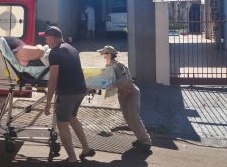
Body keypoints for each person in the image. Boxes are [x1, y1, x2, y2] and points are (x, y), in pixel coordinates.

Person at [43, 26, 95, 163]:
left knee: (62, 124)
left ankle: (72, 159)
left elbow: (53, 78)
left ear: (54, 37)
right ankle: (86, 149)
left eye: (47, 37)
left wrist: (48, 102)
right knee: (72, 118)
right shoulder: (72, 48)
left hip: (67, 93)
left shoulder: (54, 53)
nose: (45, 40)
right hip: (80, 90)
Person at [97, 45, 152, 151]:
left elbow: (125, 79)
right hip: (122, 95)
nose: (103, 55)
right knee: (128, 119)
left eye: (104, 53)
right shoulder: (107, 66)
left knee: (134, 117)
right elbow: (104, 80)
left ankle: (146, 141)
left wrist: (112, 84)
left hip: (132, 93)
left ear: (110, 54)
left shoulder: (119, 65)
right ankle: (140, 139)